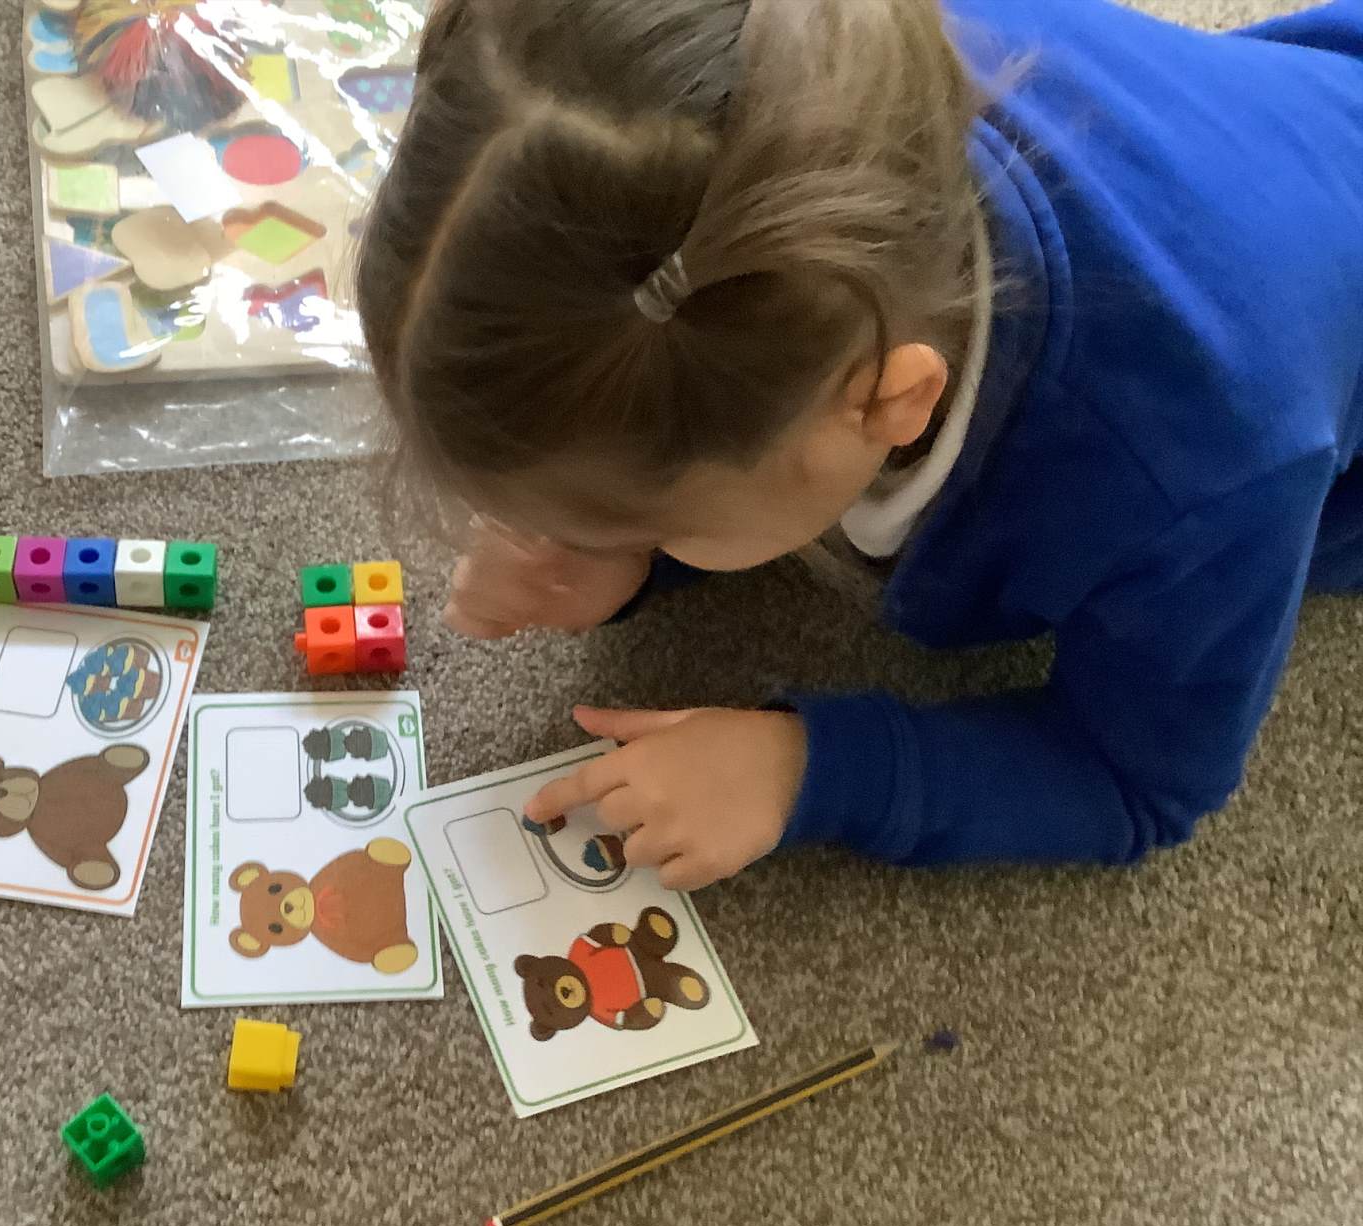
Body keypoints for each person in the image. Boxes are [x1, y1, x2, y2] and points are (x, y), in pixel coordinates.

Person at [356, 0, 1363, 886]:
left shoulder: (1201, 476)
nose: (583, 539)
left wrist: (806, 769)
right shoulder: (815, 56)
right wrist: (633, 548)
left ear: (891, 403)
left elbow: (1136, 780)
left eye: (657, 523)